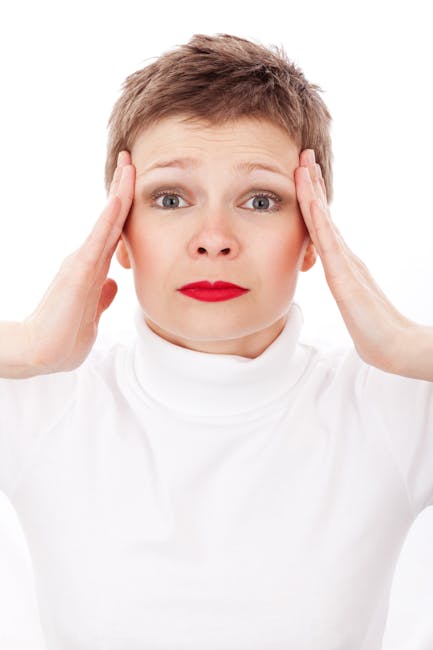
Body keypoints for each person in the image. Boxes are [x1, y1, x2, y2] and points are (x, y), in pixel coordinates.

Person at [0, 32, 432, 650]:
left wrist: (410, 346)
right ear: (119, 232)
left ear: (314, 236)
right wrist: (21, 347)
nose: (213, 239)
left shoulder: (394, 409)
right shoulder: (39, 403)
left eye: (260, 200)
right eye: (170, 197)